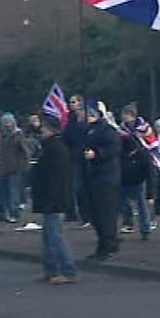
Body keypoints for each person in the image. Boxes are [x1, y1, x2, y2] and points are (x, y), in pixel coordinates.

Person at [31, 115, 77, 284]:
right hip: (53, 197)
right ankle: (51, 269)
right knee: (49, 236)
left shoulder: (55, 149)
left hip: (54, 198)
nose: (40, 131)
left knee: (56, 235)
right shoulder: (55, 147)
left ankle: (67, 269)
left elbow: (55, 178)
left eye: (43, 128)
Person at [83, 102, 122, 261]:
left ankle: (108, 245)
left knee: (105, 213)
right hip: (94, 175)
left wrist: (97, 153)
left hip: (106, 176)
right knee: (95, 213)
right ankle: (105, 243)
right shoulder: (89, 130)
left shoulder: (108, 130)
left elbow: (114, 149)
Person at [0, 113, 31, 224]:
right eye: (4, 123)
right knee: (1, 193)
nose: (6, 125)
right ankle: (1, 214)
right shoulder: (2, 136)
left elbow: (26, 152)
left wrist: (22, 167)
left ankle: (14, 214)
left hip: (15, 169)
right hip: (2, 168)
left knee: (13, 193)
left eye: (8, 122)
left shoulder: (18, 135)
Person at [118, 134, 154, 241]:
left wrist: (151, 194)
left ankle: (145, 229)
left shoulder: (144, 155)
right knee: (122, 205)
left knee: (142, 206)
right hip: (123, 182)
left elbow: (151, 175)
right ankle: (128, 223)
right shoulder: (120, 154)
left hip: (139, 182)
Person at [63, 94, 90, 226]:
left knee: (89, 186)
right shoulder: (71, 120)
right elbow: (67, 136)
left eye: (73, 102)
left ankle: (90, 214)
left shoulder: (88, 119)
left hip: (89, 156)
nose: (71, 104)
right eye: (70, 102)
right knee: (78, 187)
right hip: (75, 157)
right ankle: (83, 215)